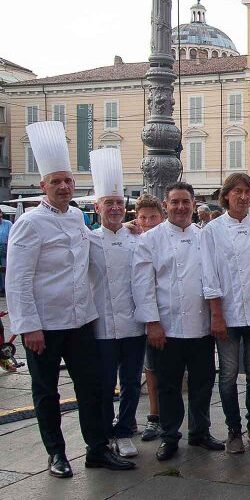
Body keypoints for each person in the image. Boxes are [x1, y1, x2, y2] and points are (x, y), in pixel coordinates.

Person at [6, 121, 135, 476]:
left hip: (80, 322)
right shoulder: (29, 224)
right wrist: (28, 326)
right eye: (56, 182)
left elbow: (95, 248)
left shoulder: (79, 217)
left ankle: (96, 449)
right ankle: (56, 454)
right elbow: (17, 280)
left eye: (67, 181)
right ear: (42, 186)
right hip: (45, 326)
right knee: (47, 393)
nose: (63, 187)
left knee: (92, 389)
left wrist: (128, 230)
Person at [133, 182, 225, 461]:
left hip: (200, 327)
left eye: (186, 202)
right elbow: (142, 284)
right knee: (168, 385)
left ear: (193, 204)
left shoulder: (203, 236)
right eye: (175, 202)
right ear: (166, 204)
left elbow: (212, 278)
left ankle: (200, 431)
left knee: (203, 382)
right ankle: (170, 435)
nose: (181, 207)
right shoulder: (150, 239)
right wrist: (152, 322)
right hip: (167, 327)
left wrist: (216, 316)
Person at [201, 172, 250, 453]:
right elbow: (210, 276)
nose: (243, 197)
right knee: (229, 373)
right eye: (238, 192)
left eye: (248, 192)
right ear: (227, 195)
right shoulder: (213, 230)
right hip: (228, 314)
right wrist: (216, 315)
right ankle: (233, 430)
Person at [88, 149, 145, 459]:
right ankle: (103, 432)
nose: (114, 208)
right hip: (103, 326)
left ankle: (124, 430)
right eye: (108, 203)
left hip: (133, 324)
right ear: (98, 207)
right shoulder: (87, 239)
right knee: (105, 384)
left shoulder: (136, 237)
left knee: (132, 383)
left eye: (119, 203)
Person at [133, 194, 166, 442]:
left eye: (152, 217)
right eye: (143, 217)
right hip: (143, 318)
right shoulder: (133, 239)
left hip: (171, 315)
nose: (148, 222)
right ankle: (153, 416)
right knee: (150, 368)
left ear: (161, 216)